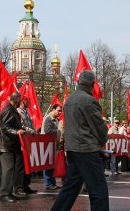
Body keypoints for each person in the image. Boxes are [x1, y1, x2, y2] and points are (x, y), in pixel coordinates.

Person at [51, 70, 109, 211]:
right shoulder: (89, 100)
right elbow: (99, 127)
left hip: (72, 149)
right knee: (98, 189)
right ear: (92, 84)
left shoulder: (69, 100)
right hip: (87, 150)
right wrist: (103, 140)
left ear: (78, 82)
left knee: (70, 187)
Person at [0, 92, 26, 203]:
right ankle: (5, 194)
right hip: (5, 145)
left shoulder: (11, 110)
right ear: (16, 100)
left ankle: (9, 192)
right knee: (8, 170)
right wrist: (16, 131)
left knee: (11, 169)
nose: (21, 102)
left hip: (10, 145)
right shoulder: (8, 110)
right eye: (20, 100)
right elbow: (5, 127)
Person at [17, 98, 38, 194]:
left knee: (28, 165)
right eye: (28, 101)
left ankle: (26, 185)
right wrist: (31, 130)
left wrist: (34, 130)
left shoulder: (26, 112)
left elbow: (30, 123)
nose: (30, 102)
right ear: (23, 102)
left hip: (29, 140)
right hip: (22, 141)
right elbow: (21, 125)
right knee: (21, 165)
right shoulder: (18, 112)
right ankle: (20, 187)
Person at [41, 104, 63, 190]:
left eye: (61, 111)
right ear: (53, 109)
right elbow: (47, 130)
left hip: (53, 144)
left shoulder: (56, 119)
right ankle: (48, 184)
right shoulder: (48, 118)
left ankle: (52, 183)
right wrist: (59, 131)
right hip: (46, 145)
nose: (60, 112)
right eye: (58, 110)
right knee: (47, 165)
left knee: (52, 165)